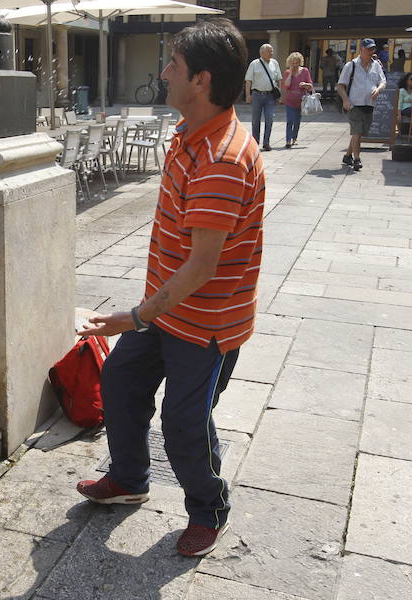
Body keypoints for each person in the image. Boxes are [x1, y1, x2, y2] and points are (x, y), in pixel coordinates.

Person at [76, 18, 263, 559]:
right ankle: (130, 477)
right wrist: (146, 315)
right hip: (167, 310)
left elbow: (202, 266)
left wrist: (133, 316)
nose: (163, 74)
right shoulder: (189, 133)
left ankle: (209, 507)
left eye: (173, 67)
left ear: (201, 80)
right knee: (121, 380)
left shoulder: (222, 158)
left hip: (205, 324)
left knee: (183, 426)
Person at [337, 38, 386, 172]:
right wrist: (346, 100)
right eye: (369, 49)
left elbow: (383, 81)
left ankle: (347, 155)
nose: (371, 51)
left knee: (358, 133)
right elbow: (340, 86)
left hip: (369, 104)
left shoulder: (376, 65)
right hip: (354, 104)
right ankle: (357, 159)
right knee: (357, 131)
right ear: (362, 49)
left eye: (373, 49)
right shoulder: (351, 65)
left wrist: (378, 89)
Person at [244, 43, 281, 151]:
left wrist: (280, 95)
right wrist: (247, 95)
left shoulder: (275, 63)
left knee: (270, 119)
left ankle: (266, 142)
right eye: (269, 51)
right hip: (257, 95)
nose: (272, 53)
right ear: (262, 52)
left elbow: (279, 79)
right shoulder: (254, 64)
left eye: (272, 51)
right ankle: (255, 142)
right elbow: (248, 81)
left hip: (270, 96)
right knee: (256, 120)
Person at [281, 51, 314, 148]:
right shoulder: (287, 72)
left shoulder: (305, 71)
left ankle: (294, 138)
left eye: (297, 62)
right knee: (290, 120)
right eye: (293, 63)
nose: (295, 65)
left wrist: (305, 84)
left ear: (300, 62)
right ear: (290, 63)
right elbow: (286, 85)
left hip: (301, 101)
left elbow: (310, 86)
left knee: (297, 121)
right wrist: (291, 73)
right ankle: (288, 140)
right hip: (290, 100)